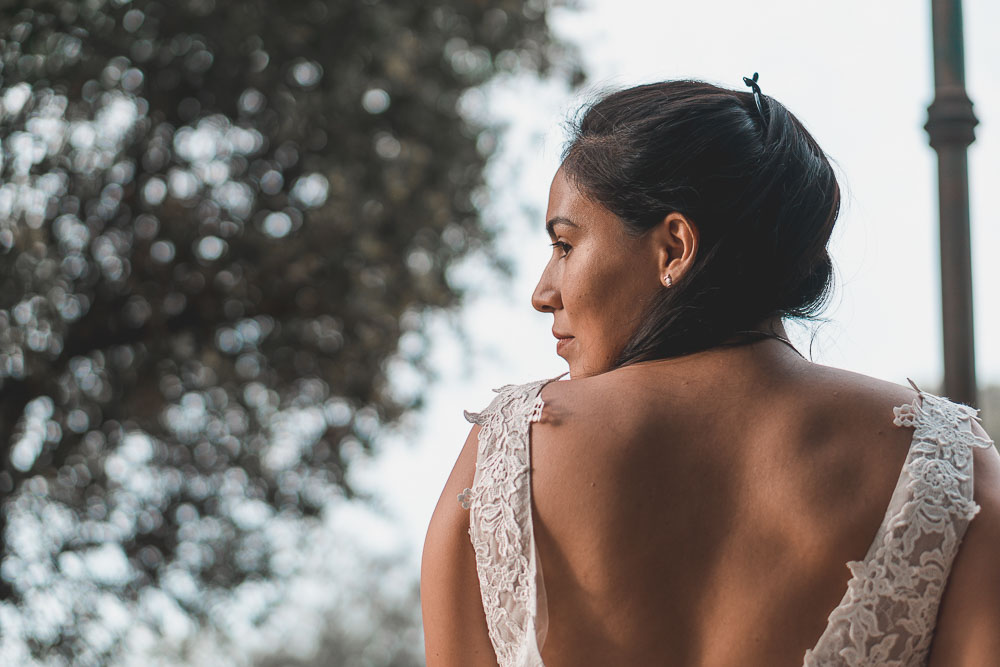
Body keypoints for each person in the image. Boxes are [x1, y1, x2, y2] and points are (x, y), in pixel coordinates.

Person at [420, 77, 1000, 666]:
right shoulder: (945, 465)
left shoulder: (508, 452)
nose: (543, 293)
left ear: (674, 247)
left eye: (565, 245)